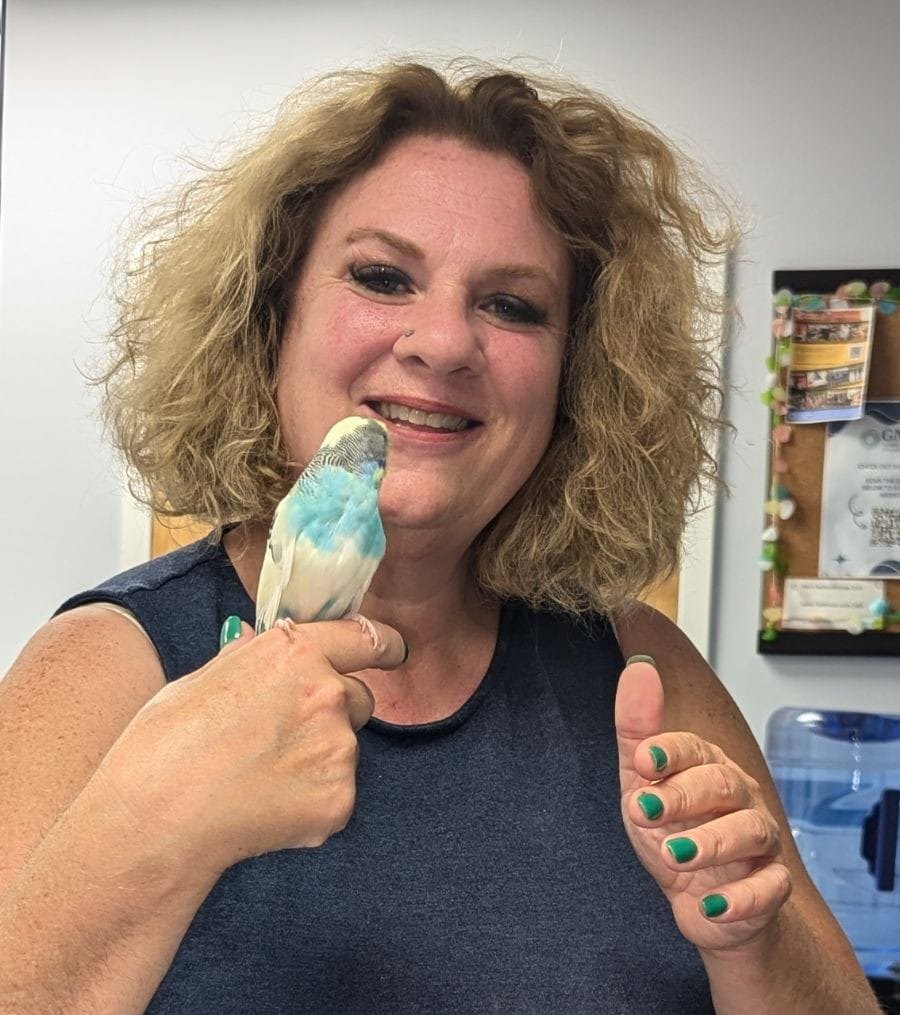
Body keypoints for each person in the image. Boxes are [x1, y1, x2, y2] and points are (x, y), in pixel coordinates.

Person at [0, 60, 880, 1014]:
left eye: (512, 305)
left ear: (575, 379)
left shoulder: (643, 667)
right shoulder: (105, 667)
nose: (446, 342)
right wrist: (154, 835)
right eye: (383, 277)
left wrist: (753, 939)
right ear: (269, 320)